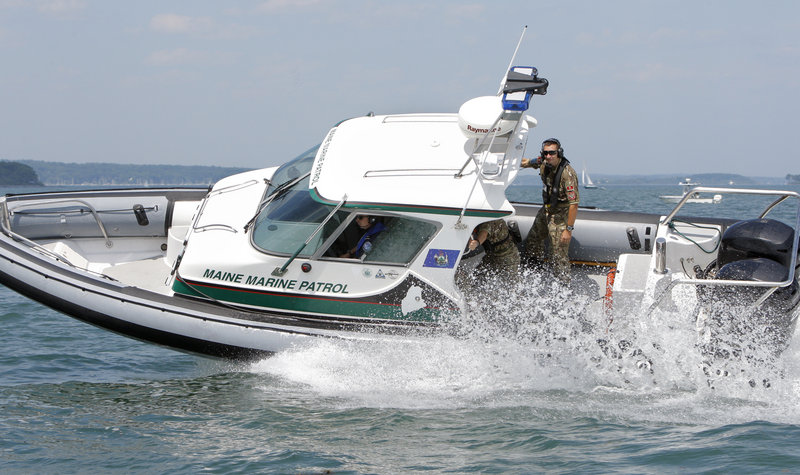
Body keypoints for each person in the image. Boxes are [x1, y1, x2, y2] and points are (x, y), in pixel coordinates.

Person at [520, 138, 579, 282]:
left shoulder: (567, 174)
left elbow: (574, 204)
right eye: (546, 153)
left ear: (559, 153)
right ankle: (535, 272)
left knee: (557, 254)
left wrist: (568, 229)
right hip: (546, 210)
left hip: (561, 214)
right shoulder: (543, 161)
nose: (548, 156)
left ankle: (564, 285)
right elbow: (527, 162)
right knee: (533, 240)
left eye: (552, 153)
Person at [466, 218, 520, 282]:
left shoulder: (488, 219)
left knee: (511, 284)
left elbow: (484, 234)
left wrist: (476, 242)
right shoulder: (477, 219)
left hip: (508, 256)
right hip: (492, 255)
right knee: (477, 276)